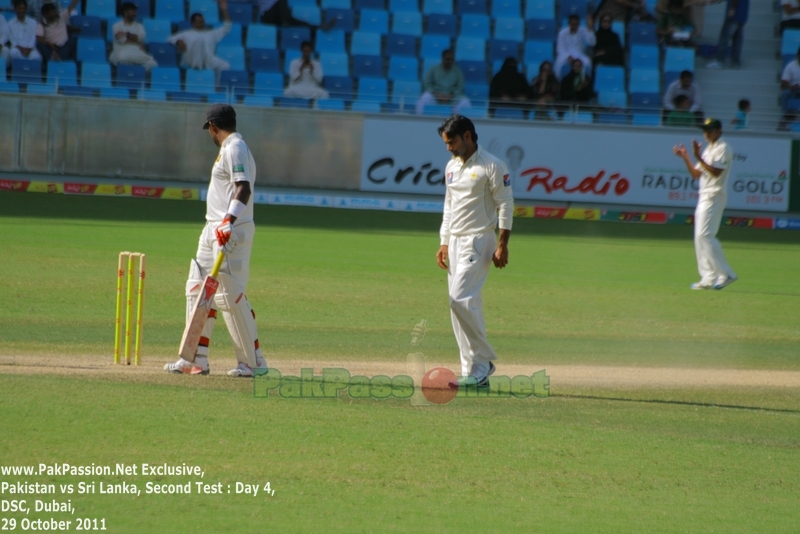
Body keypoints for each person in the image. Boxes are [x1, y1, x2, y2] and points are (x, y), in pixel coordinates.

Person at [165, 104, 268, 377]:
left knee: (230, 296)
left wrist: (228, 222)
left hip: (231, 231)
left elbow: (243, 187)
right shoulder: (228, 149)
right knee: (197, 288)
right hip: (214, 228)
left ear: (213, 126)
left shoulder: (235, 147)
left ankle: (252, 363)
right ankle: (195, 359)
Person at [435, 115, 514, 388]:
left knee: (459, 300)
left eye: (452, 142)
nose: (449, 148)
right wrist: (444, 241)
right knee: (464, 307)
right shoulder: (451, 166)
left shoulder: (492, 165)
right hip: (455, 242)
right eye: (446, 143)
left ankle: (484, 361)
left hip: (479, 240)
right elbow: (449, 206)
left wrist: (503, 244)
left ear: (467, 136)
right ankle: (473, 373)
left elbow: (506, 204)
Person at [672, 118, 737, 290]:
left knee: (705, 235)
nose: (706, 133)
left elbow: (716, 173)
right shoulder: (709, 149)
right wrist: (686, 157)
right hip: (704, 195)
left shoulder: (724, 148)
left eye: (710, 130)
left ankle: (726, 273)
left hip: (715, 195)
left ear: (718, 131)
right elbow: (695, 174)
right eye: (704, 130)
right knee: (699, 237)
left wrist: (697, 156)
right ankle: (708, 277)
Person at [168, 0, 232, 77]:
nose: (203, 23)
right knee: (199, 41)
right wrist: (179, 41)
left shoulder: (211, 34)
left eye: (203, 21)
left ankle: (217, 85)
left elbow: (227, 27)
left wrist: (224, 10)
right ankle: (197, 67)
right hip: (191, 61)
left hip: (208, 60)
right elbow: (170, 39)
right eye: (200, 22)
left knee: (225, 66)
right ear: (193, 23)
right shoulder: (186, 34)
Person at [416, 49, 471, 115]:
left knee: (465, 102)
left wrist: (450, 96)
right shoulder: (434, 69)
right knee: (425, 98)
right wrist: (437, 95)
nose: (450, 61)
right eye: (448, 59)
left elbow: (460, 87)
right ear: (442, 58)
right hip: (436, 97)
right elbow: (427, 84)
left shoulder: (458, 72)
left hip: (452, 99)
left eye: (452, 60)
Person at [109, 2, 157, 71]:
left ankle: (138, 73)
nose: (135, 13)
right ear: (125, 12)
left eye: (135, 11)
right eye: (132, 11)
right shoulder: (116, 26)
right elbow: (123, 40)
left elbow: (141, 38)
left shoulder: (139, 26)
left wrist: (126, 34)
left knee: (153, 64)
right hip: (122, 52)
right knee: (122, 59)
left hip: (137, 53)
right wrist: (137, 42)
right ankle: (134, 72)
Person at [706, 0, 748, 69]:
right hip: (742, 13)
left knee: (724, 37)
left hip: (735, 13)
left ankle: (720, 60)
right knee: (737, 39)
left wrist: (732, 8)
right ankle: (735, 62)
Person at [554, 13, 595, 79]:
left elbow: (592, 43)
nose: (574, 27)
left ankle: (586, 82)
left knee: (588, 62)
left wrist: (590, 30)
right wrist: (568, 56)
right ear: (569, 23)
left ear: (578, 24)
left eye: (576, 25)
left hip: (579, 54)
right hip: (565, 55)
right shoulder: (562, 33)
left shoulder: (583, 31)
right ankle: (558, 82)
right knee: (558, 64)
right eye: (573, 25)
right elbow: (560, 49)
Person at [7, 0, 42, 65]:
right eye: (19, 8)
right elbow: (12, 39)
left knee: (37, 57)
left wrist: (29, 48)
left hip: (30, 49)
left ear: (26, 9)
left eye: (23, 8)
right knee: (12, 52)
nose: (22, 11)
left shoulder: (33, 22)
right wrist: (20, 48)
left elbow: (34, 38)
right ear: (15, 9)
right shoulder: (10, 24)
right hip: (17, 49)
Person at [779, 47, 800, 126]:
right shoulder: (791, 66)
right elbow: (782, 86)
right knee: (785, 93)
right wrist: (790, 86)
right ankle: (785, 116)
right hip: (794, 90)